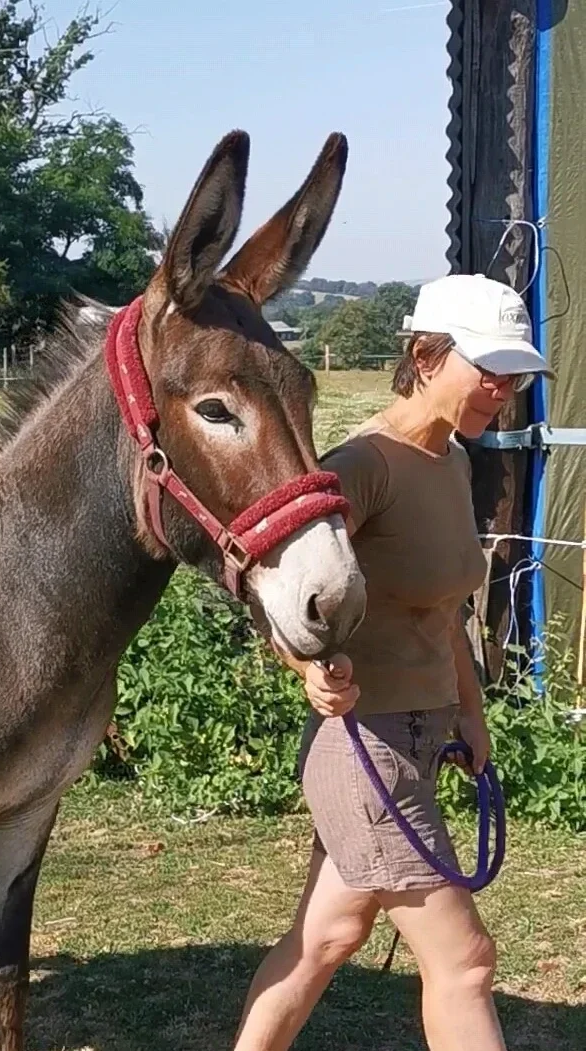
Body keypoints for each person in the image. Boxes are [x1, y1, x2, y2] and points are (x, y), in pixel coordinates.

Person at [233, 274, 553, 1051]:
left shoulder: (449, 461)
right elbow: (275, 580)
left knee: (325, 939)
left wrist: (471, 717)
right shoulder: (363, 464)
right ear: (424, 354)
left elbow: (441, 613)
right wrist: (305, 666)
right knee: (466, 961)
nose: (501, 390)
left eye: (514, 376)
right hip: (363, 748)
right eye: (487, 369)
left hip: (418, 737)